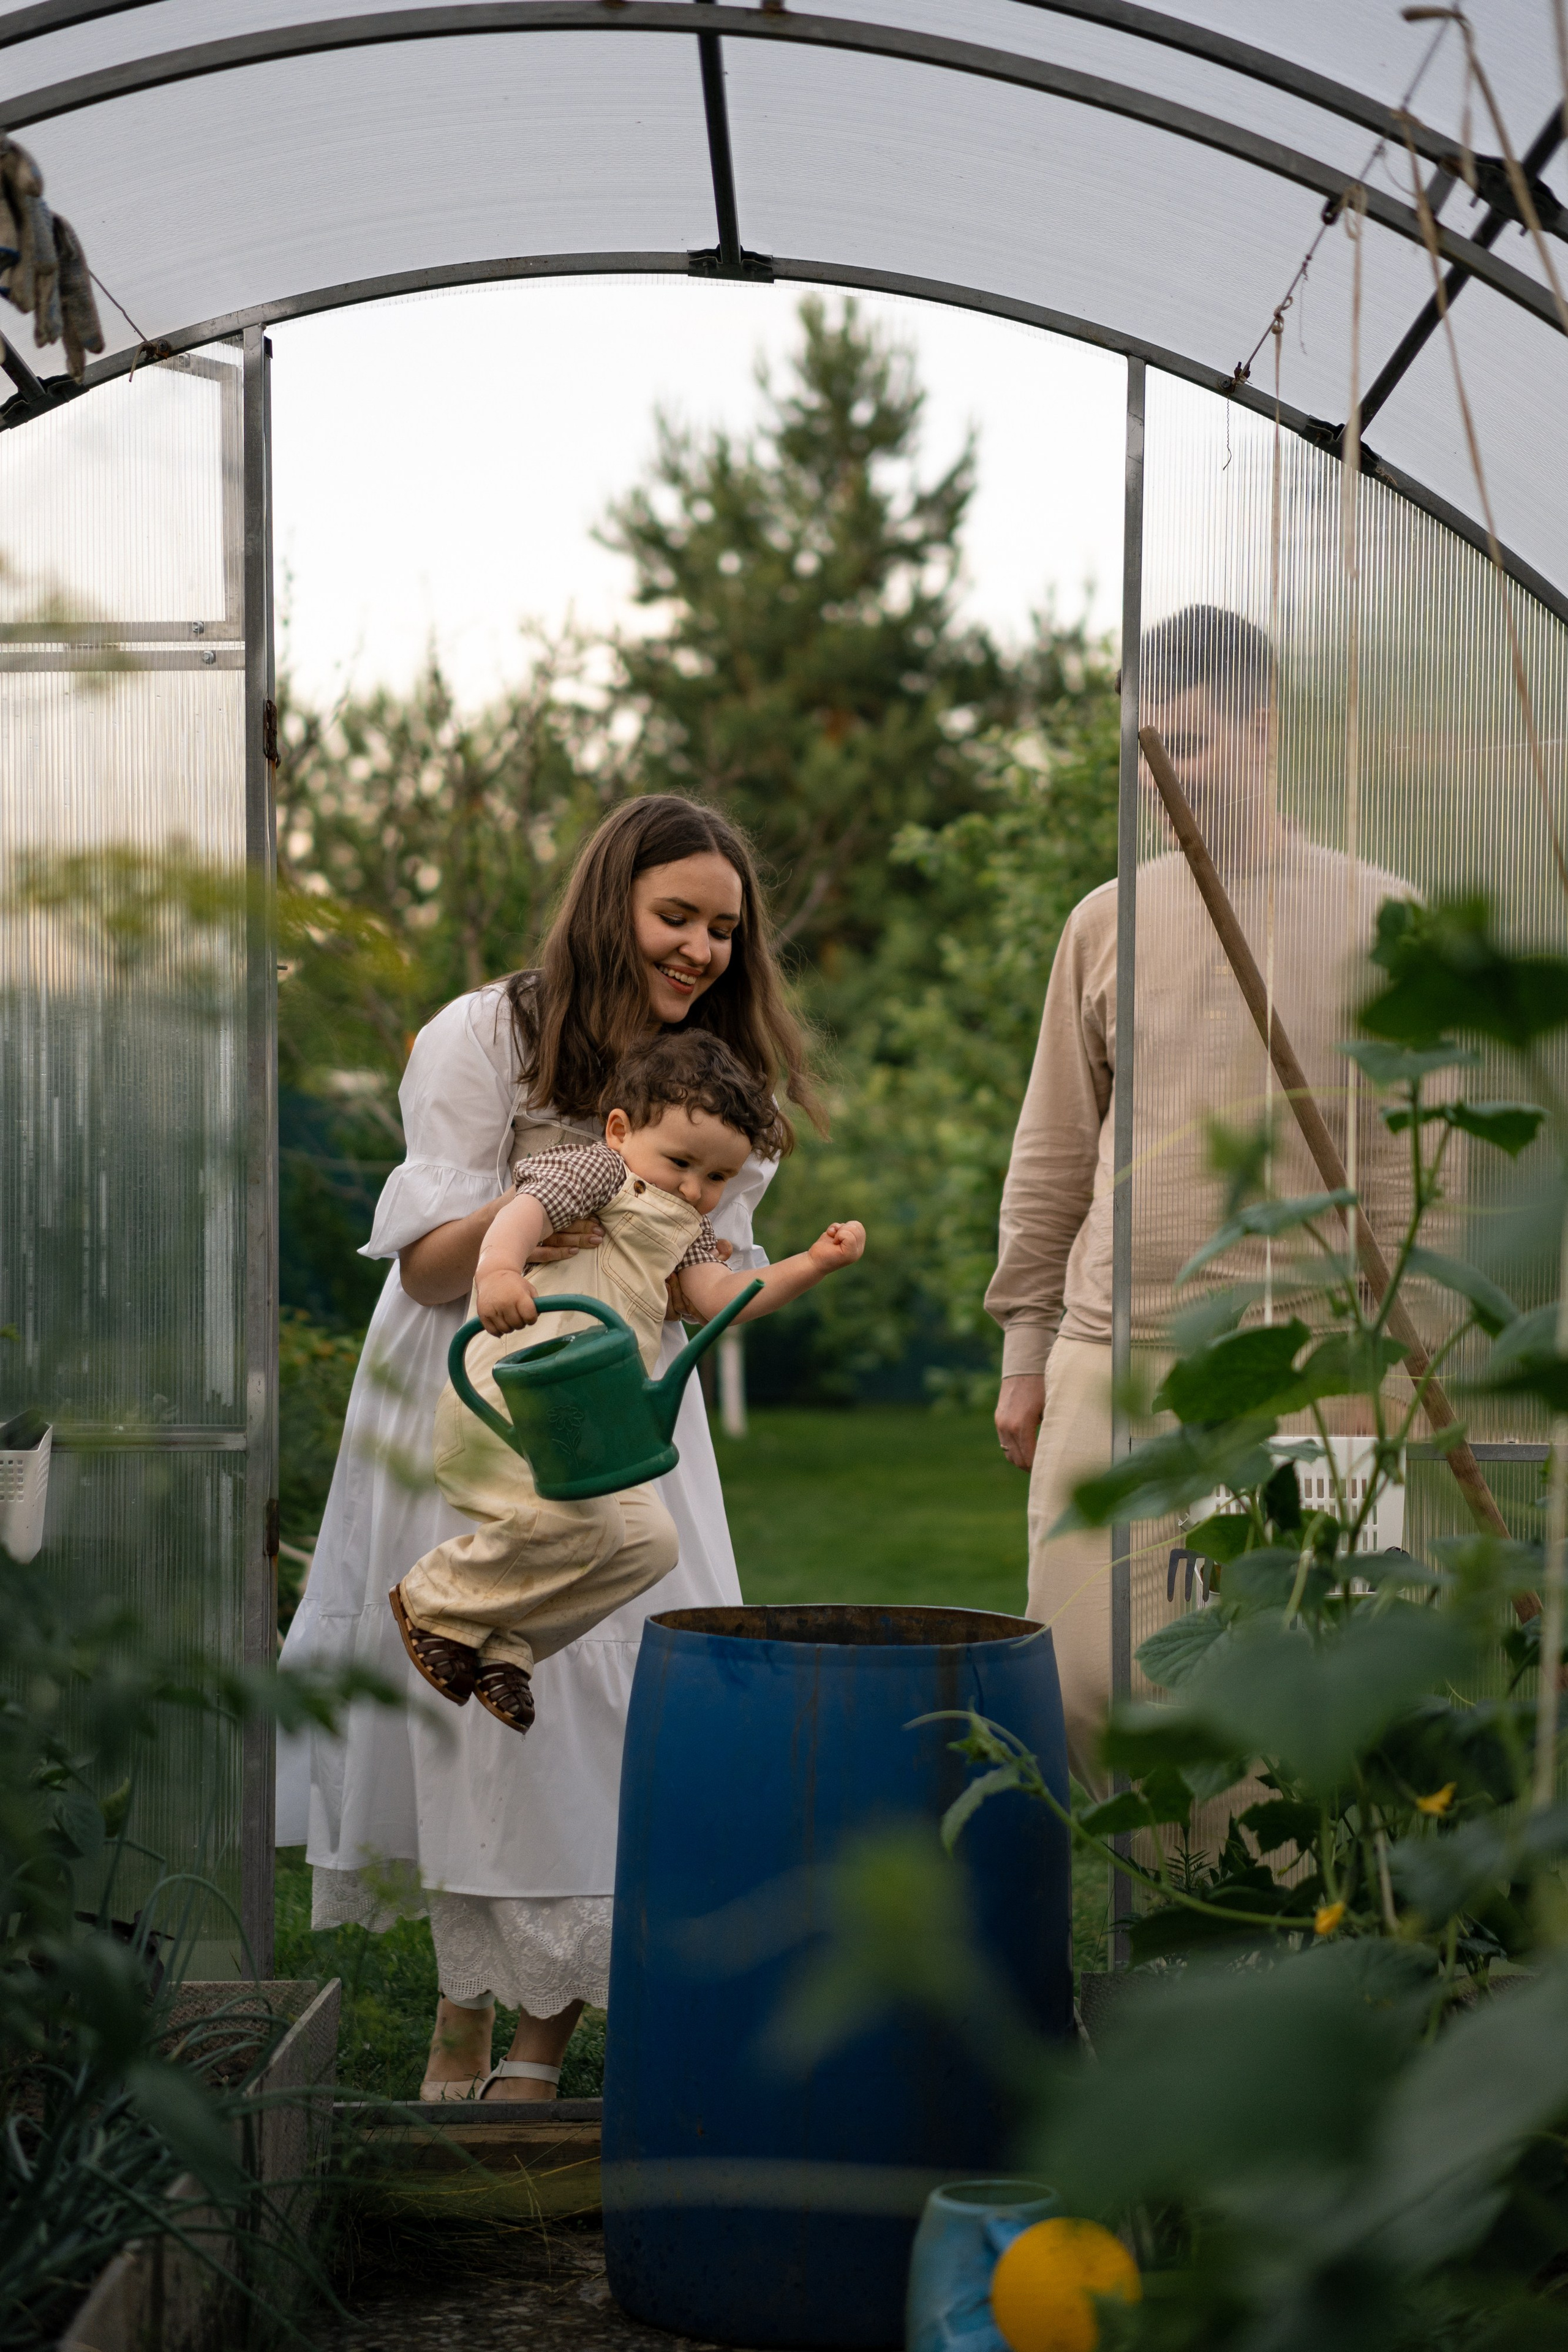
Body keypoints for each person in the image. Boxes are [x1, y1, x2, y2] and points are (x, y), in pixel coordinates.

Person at [277, 796, 821, 2101]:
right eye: (674, 916)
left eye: (722, 929)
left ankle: (543, 2038)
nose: (699, 948)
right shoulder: (488, 1034)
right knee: (468, 1702)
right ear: (610, 906)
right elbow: (423, 1269)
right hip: (478, 1378)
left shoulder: (725, 1081)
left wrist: (779, 1261)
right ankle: (459, 2018)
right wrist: (543, 1215)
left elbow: (707, 1275)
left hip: (624, 1399)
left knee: (601, 1699)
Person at [986, 605, 1414, 1795]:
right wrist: (1024, 1343)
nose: (1160, 776)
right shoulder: (1104, 917)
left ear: (1262, 730)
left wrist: (1390, 1377)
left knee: (1277, 1698)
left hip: (1301, 1363)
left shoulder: (1376, 917)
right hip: (1106, 1354)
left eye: (1188, 744)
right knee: (1077, 1679)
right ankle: (1173, 1936)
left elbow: (1405, 1170)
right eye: (1142, 749)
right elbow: (1054, 1145)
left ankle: (1207, 1960)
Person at [393, 1029, 865, 1730]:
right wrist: (497, 1271)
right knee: (568, 1527)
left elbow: (720, 1299)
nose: (693, 1188)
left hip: (595, 1423)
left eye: (716, 1178)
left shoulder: (687, 1229)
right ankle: (434, 1600)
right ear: (619, 1129)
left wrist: (810, 1265)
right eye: (681, 1162)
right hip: (518, 1404)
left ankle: (511, 1643)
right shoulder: (597, 1172)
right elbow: (523, 1212)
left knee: (649, 1543)